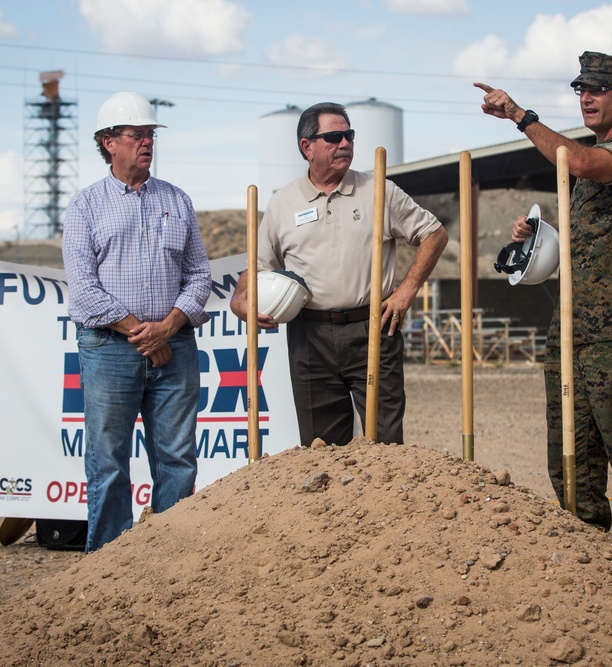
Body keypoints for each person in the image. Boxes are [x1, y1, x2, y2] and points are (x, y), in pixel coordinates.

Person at [474, 52, 612, 564]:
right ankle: (586, 550)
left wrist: (523, 117)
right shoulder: (583, 171)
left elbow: (584, 161)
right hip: (570, 326)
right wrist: (536, 237)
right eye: (580, 91)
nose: (586, 99)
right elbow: (584, 241)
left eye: (596, 90)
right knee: (572, 450)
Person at [229, 102, 448, 447]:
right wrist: (240, 301)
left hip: (374, 328)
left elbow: (434, 233)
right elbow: (257, 267)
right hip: (309, 337)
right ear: (307, 147)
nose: (345, 143)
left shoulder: (379, 191)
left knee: (385, 446)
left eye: (349, 135)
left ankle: (382, 503)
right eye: (333, 137)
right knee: (321, 449)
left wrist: (407, 289)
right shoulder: (283, 203)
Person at [62, 92, 212, 552]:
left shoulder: (177, 200)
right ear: (109, 142)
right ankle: (108, 564)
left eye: (150, 134)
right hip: (110, 349)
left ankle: (166, 561)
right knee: (107, 460)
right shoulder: (85, 206)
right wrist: (143, 334)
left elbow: (200, 275)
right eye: (137, 135)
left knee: (178, 459)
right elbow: (84, 289)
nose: (148, 142)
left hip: (174, 346)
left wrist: (166, 327)